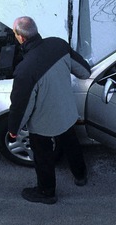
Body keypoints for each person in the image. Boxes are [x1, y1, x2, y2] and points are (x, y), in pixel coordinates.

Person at [7, 16, 91, 204]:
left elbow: (21, 106)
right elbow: (84, 72)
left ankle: (47, 192)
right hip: (67, 112)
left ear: (20, 37)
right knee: (71, 144)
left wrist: (13, 130)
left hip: (44, 124)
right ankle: (80, 175)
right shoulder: (58, 45)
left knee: (43, 157)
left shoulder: (25, 70)